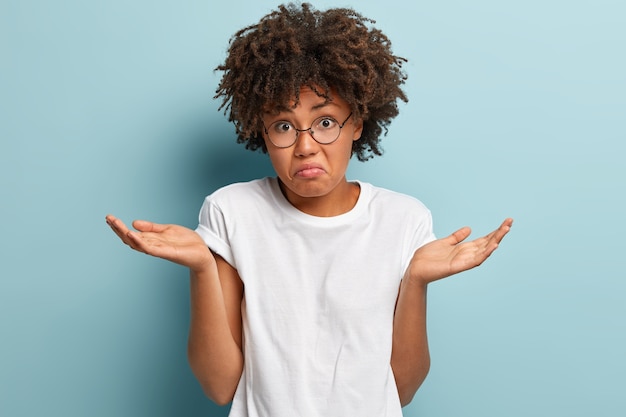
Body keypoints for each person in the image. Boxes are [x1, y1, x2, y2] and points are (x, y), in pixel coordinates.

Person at [106, 3, 513, 416]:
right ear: (260, 131)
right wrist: (201, 268)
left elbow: (401, 391)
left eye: (325, 122)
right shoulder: (232, 211)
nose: (304, 146)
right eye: (283, 125)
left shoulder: (404, 219)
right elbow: (219, 386)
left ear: (357, 123)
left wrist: (416, 280)